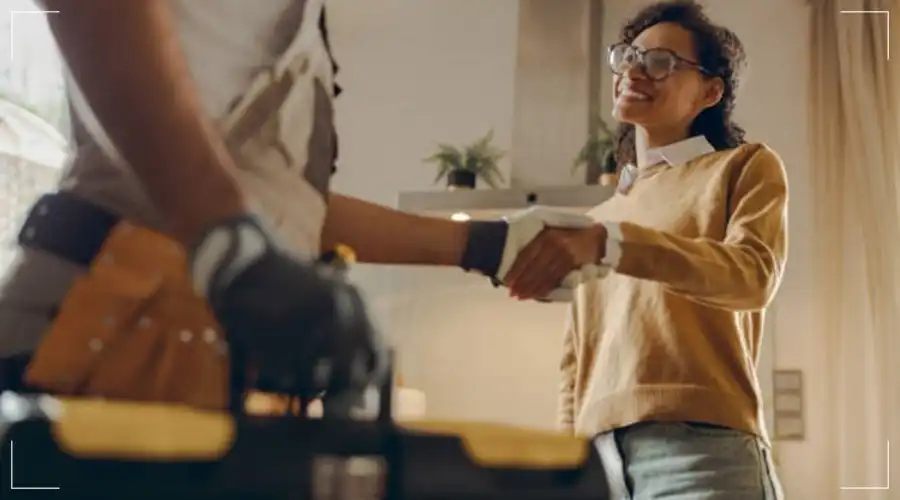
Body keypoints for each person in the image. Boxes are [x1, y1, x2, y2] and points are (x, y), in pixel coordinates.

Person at [0, 0, 596, 412]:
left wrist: (484, 246)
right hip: (96, 335)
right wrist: (231, 243)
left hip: (193, 354)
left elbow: (280, 203)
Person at [503, 1, 787, 498]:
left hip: (702, 454)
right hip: (600, 463)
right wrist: (566, 464)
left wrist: (614, 244)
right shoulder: (599, 218)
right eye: (629, 57)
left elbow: (752, 276)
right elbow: (576, 362)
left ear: (710, 91)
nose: (634, 71)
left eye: (661, 62)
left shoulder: (742, 167)